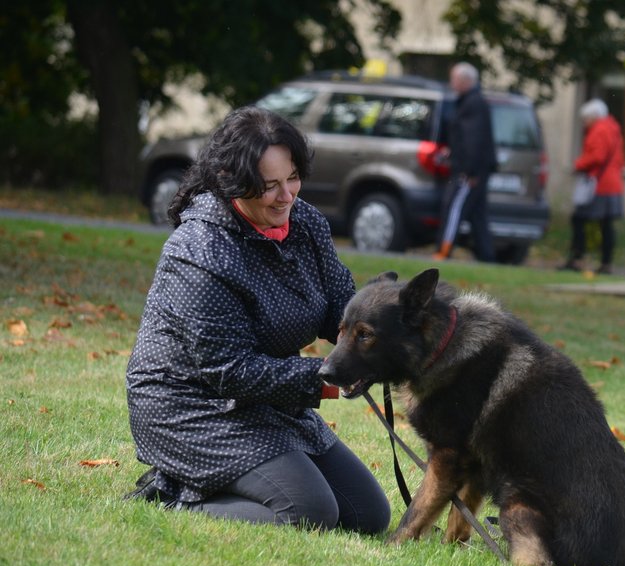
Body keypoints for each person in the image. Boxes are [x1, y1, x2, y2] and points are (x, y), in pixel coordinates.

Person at [124, 106, 390, 534]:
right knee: (310, 513)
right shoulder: (199, 251)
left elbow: (338, 308)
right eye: (269, 186)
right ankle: (171, 496)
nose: (286, 196)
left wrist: (381, 343)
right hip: (191, 407)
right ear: (233, 181)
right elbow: (228, 372)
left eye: (292, 179)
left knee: (368, 516)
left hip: (267, 400)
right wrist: (329, 377)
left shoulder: (304, 222)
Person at [433, 62, 498, 262]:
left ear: (465, 80)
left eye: (454, 79)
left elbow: (474, 139)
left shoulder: (473, 104)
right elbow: (463, 137)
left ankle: (443, 250)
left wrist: (471, 172)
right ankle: (487, 257)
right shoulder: (468, 102)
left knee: (454, 209)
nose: (452, 83)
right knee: (478, 215)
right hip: (474, 169)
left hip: (469, 172)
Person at [561, 98, 625, 274]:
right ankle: (606, 263)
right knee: (606, 224)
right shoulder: (613, 128)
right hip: (613, 183)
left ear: (595, 116)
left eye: (586, 119)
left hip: (599, 184)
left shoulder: (599, 130)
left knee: (579, 219)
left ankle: (577, 258)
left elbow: (597, 156)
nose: (585, 123)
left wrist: (579, 164)